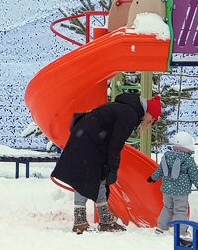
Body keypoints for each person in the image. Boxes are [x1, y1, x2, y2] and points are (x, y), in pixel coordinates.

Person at [51, 92, 161, 234]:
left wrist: (109, 168)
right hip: (89, 141)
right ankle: (90, 221)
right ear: (149, 112)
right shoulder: (130, 114)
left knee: (92, 178)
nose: (150, 122)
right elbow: (116, 144)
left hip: (86, 137)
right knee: (91, 178)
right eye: (152, 119)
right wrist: (113, 169)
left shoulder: (126, 109)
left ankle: (96, 221)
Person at [147, 131, 198, 234]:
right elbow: (194, 176)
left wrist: (153, 178)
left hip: (167, 190)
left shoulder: (166, 157)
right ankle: (181, 231)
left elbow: (160, 170)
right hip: (181, 191)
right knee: (180, 210)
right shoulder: (188, 160)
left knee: (167, 208)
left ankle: (161, 227)